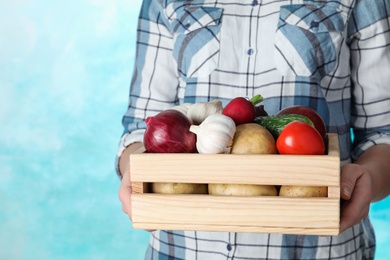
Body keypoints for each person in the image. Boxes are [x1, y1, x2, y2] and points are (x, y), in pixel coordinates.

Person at [117, 0, 390, 259]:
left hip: (322, 249)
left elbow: (383, 134)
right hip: (181, 250)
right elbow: (140, 128)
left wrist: (367, 178)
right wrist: (134, 171)